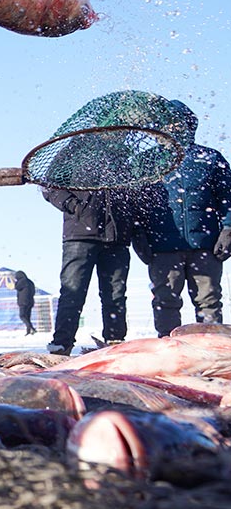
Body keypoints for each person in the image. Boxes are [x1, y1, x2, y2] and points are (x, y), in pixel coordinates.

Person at [132, 100, 231, 337]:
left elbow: (228, 197)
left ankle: (210, 348)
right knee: (165, 302)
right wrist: (138, 236)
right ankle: (168, 349)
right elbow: (135, 205)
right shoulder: (147, 162)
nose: (173, 127)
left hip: (205, 246)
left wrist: (228, 229)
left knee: (208, 303)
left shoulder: (209, 158)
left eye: (179, 121)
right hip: (162, 248)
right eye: (168, 122)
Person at [42, 187, 135, 354]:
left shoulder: (122, 161)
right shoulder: (68, 159)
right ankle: (62, 344)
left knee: (116, 295)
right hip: (80, 235)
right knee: (73, 292)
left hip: (117, 237)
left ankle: (115, 341)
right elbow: (48, 186)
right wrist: (74, 206)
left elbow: (134, 193)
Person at [13, 270, 37, 336]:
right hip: (31, 301)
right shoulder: (30, 282)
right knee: (28, 317)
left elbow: (17, 287)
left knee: (22, 316)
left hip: (23, 302)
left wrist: (15, 282)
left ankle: (31, 328)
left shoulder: (21, 281)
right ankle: (29, 331)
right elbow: (33, 291)